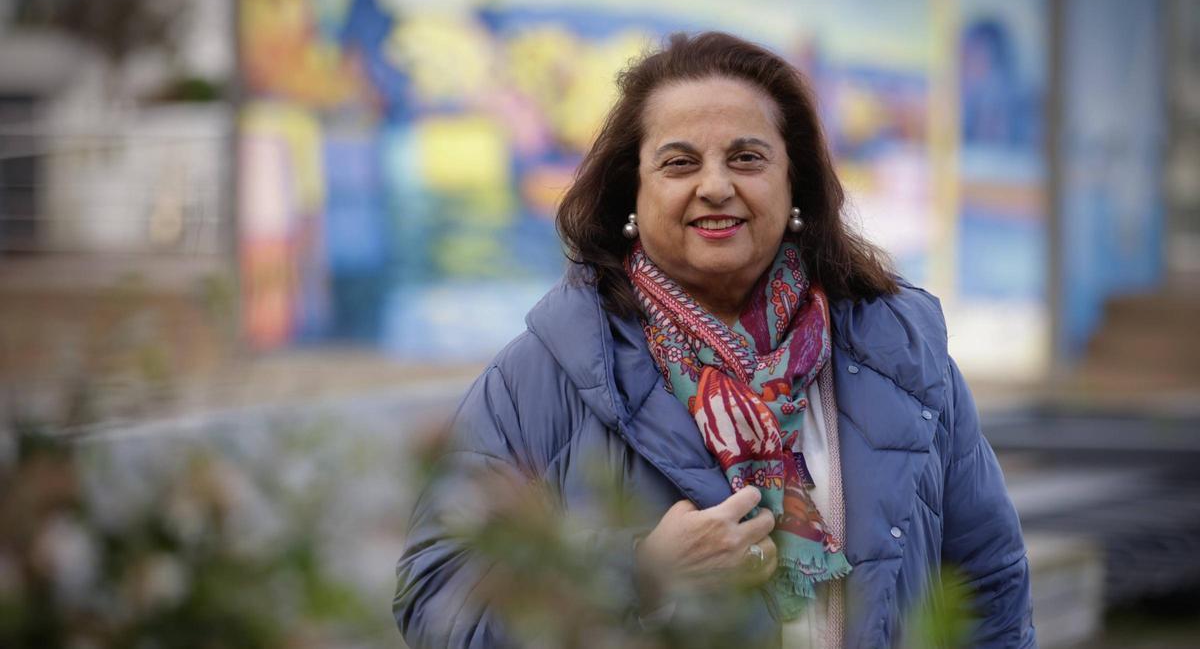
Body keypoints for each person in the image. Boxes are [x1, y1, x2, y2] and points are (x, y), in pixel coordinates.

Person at [394, 31, 1035, 648]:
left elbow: (989, 585)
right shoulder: (543, 375)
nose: (716, 186)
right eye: (679, 163)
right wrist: (639, 574)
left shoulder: (901, 356)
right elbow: (436, 604)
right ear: (632, 194)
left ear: (795, 187)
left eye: (747, 158)